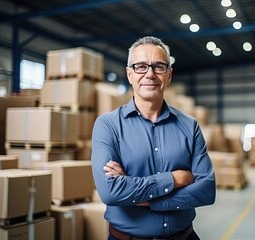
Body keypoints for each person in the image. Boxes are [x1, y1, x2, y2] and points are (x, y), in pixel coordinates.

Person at [91, 36, 216, 240]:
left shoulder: (190, 126)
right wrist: (175, 179)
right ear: (129, 74)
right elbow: (111, 192)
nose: (149, 74)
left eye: (158, 66)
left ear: (169, 75)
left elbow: (206, 191)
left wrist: (139, 193)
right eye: (141, 66)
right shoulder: (108, 125)